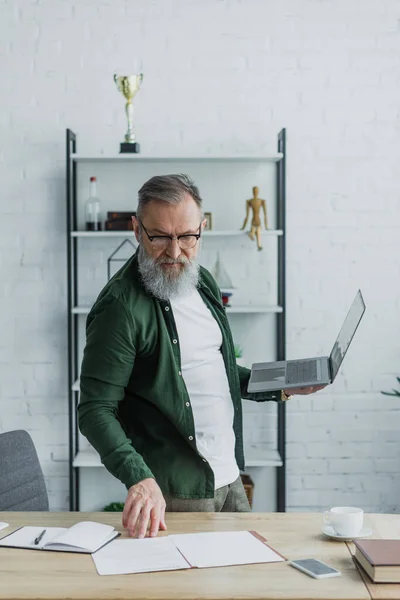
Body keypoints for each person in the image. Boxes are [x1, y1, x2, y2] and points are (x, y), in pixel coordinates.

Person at [78, 174, 324, 539]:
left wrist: (284, 384)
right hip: (177, 492)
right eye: (159, 236)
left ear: (202, 229)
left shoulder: (202, 281)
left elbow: (215, 371)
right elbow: (95, 409)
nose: (174, 252)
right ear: (136, 229)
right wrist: (139, 478)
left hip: (230, 476)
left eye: (187, 237)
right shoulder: (120, 307)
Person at [240, 186, 268, 251]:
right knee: (258, 230)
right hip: (258, 220)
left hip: (253, 220)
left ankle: (252, 234)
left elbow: (247, 216)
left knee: (254, 229)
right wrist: (266, 227)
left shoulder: (250, 201)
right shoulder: (260, 201)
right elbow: (265, 215)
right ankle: (258, 244)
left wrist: (243, 227)